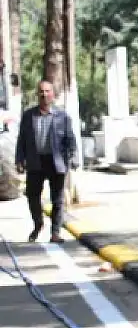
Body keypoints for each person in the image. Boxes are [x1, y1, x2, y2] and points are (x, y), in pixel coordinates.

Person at [13, 79, 78, 244]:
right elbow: (22, 140)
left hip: (56, 162)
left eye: (47, 91)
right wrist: (19, 159)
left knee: (57, 199)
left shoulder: (62, 116)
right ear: (37, 94)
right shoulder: (28, 115)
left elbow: (70, 139)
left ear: (53, 94)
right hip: (35, 161)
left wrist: (72, 157)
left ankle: (55, 233)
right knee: (32, 196)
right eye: (41, 91)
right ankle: (38, 223)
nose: (44, 94)